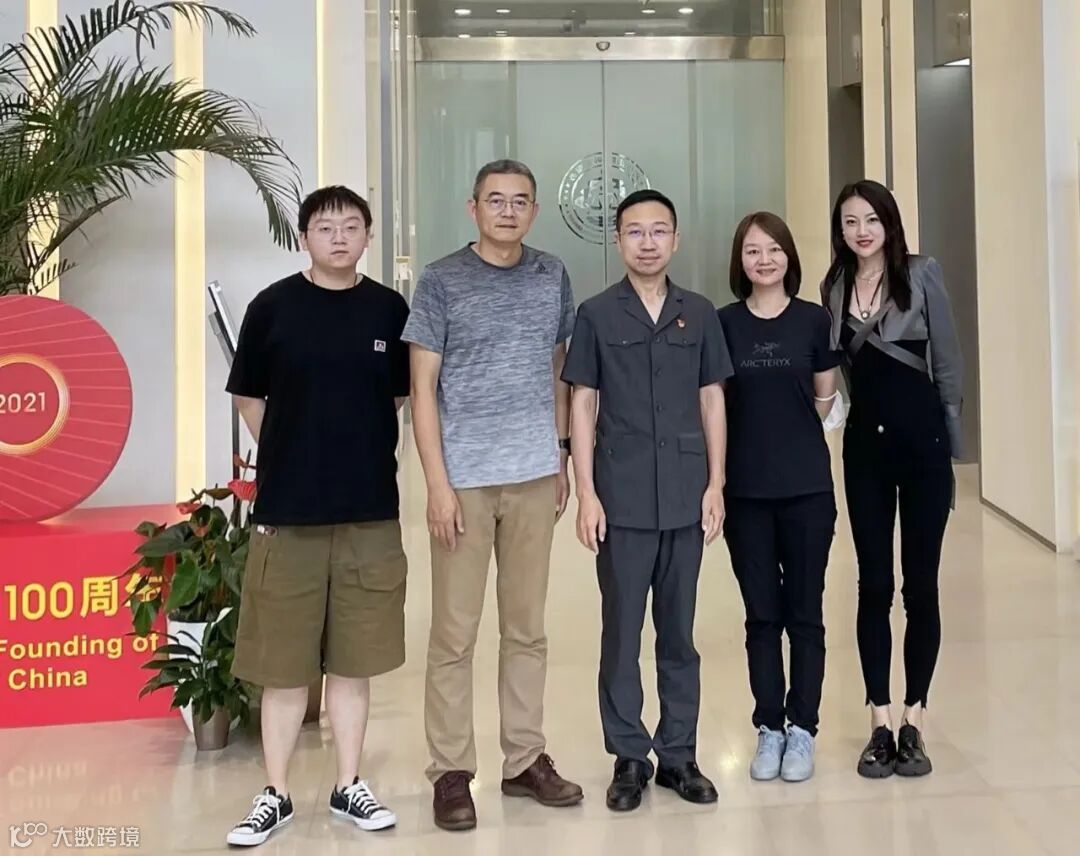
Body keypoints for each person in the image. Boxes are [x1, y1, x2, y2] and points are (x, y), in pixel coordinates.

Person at [224, 186, 409, 847]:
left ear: (367, 237)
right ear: (305, 237)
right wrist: (289, 450)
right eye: (325, 227)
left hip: (368, 510)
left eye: (351, 227)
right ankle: (274, 793)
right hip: (289, 510)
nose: (339, 237)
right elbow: (249, 396)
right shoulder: (273, 307)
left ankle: (348, 784)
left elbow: (396, 399)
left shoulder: (388, 309)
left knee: (355, 661)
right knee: (282, 665)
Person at [403, 159, 583, 832]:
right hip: (466, 481)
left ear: (534, 211)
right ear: (473, 207)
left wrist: (560, 453)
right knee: (454, 633)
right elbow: (422, 388)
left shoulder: (551, 274)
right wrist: (437, 483)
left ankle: (524, 760)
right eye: (496, 200)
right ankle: (451, 771)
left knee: (526, 629)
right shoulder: (442, 280)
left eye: (520, 201)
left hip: (534, 475)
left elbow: (558, 369)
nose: (508, 211)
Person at [562, 189, 732, 812]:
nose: (648, 242)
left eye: (659, 231)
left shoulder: (700, 313)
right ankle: (629, 755)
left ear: (676, 240)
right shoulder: (596, 314)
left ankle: (679, 754)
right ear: (618, 242)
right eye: (635, 231)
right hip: (623, 495)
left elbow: (712, 398)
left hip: (685, 493)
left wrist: (716, 484)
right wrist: (587, 492)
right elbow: (583, 403)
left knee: (679, 632)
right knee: (622, 633)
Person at [821, 179, 963, 779]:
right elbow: (837, 369)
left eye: (872, 219)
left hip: (924, 445)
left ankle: (914, 719)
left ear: (889, 223)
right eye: (850, 222)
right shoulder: (833, 285)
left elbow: (947, 364)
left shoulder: (922, 274)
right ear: (841, 230)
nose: (862, 231)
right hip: (865, 451)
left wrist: (952, 450)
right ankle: (879, 721)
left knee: (920, 586)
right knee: (873, 584)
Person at [718, 212, 841, 783]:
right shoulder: (723, 323)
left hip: (807, 489)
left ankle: (803, 728)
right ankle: (769, 726)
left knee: (805, 614)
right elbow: (714, 405)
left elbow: (824, 398)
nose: (763, 260)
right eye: (752, 251)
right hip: (745, 492)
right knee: (762, 616)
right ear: (739, 261)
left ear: (789, 256)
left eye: (773, 249)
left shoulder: (814, 320)